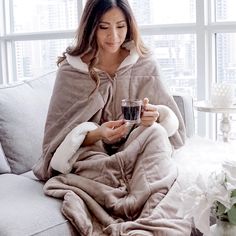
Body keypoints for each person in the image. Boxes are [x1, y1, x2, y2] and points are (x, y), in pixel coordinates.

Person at [33, 0, 191, 235]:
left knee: (156, 133)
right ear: (90, 27)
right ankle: (128, 207)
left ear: (130, 26)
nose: (114, 36)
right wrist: (97, 133)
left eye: (120, 26)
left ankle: (148, 223)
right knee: (96, 161)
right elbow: (55, 144)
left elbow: (173, 130)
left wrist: (154, 116)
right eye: (103, 27)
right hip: (93, 156)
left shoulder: (143, 63)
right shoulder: (71, 71)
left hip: (135, 149)